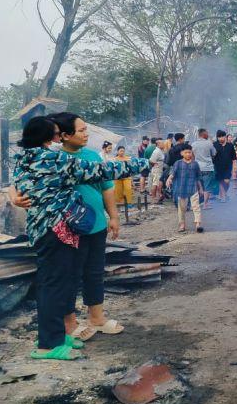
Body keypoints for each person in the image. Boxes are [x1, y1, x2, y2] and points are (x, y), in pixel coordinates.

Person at [13, 117, 147, 360]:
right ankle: (48, 346)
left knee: (52, 283)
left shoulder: (23, 158)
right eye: (55, 133)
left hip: (40, 230)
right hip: (56, 231)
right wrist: (141, 163)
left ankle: (57, 335)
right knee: (54, 285)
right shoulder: (54, 159)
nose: (58, 136)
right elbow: (102, 171)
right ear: (48, 136)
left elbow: (18, 187)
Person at [51, 112, 132, 337]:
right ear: (65, 136)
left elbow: (106, 187)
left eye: (86, 129)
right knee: (71, 274)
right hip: (70, 229)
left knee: (95, 272)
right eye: (81, 130)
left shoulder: (93, 157)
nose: (87, 134)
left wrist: (113, 216)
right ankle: (70, 324)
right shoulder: (54, 160)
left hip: (96, 224)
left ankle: (96, 318)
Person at [166, 145, 204, 233]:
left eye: (189, 152)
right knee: (182, 208)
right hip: (181, 188)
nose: (188, 154)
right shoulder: (178, 163)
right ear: (182, 153)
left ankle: (198, 224)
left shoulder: (195, 164)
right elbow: (173, 173)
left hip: (193, 188)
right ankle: (182, 225)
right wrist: (169, 179)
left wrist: (201, 189)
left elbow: (198, 177)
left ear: (192, 153)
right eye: (186, 152)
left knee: (196, 207)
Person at [191, 128, 217, 209]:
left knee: (198, 186)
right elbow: (214, 153)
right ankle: (205, 204)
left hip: (197, 168)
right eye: (207, 133)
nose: (208, 134)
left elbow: (192, 156)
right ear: (203, 134)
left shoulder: (194, 144)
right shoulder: (209, 143)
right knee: (207, 187)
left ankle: (195, 204)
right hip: (207, 168)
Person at [212, 130, 237, 202]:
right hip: (218, 167)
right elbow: (211, 156)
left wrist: (235, 167)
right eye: (219, 137)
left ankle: (224, 193)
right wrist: (214, 155)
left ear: (225, 136)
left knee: (227, 181)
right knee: (220, 181)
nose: (220, 138)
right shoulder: (214, 145)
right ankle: (223, 196)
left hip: (228, 167)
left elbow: (234, 158)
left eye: (222, 136)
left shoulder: (230, 145)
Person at [148, 138, 166, 203]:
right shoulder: (156, 151)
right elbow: (151, 160)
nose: (163, 144)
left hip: (159, 168)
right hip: (157, 169)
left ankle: (157, 197)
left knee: (157, 183)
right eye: (162, 143)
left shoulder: (160, 150)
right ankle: (153, 198)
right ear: (158, 144)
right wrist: (155, 164)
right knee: (155, 183)